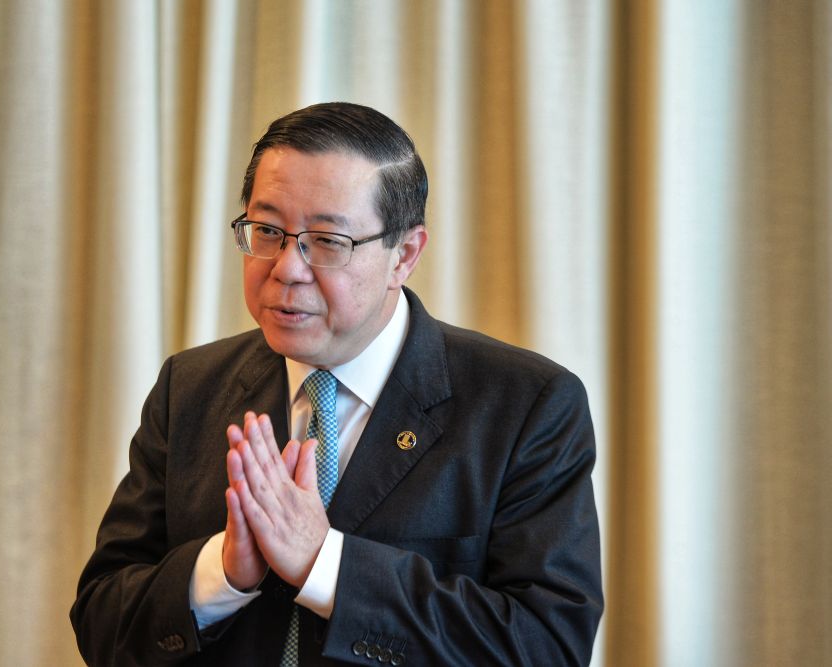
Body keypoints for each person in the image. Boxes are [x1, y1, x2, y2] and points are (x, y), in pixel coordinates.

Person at [70, 102, 602, 665]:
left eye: (327, 241)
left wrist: (324, 564)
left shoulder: (526, 405)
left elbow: (547, 646)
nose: (286, 268)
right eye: (268, 230)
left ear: (404, 254)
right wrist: (220, 574)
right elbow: (102, 621)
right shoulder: (191, 387)